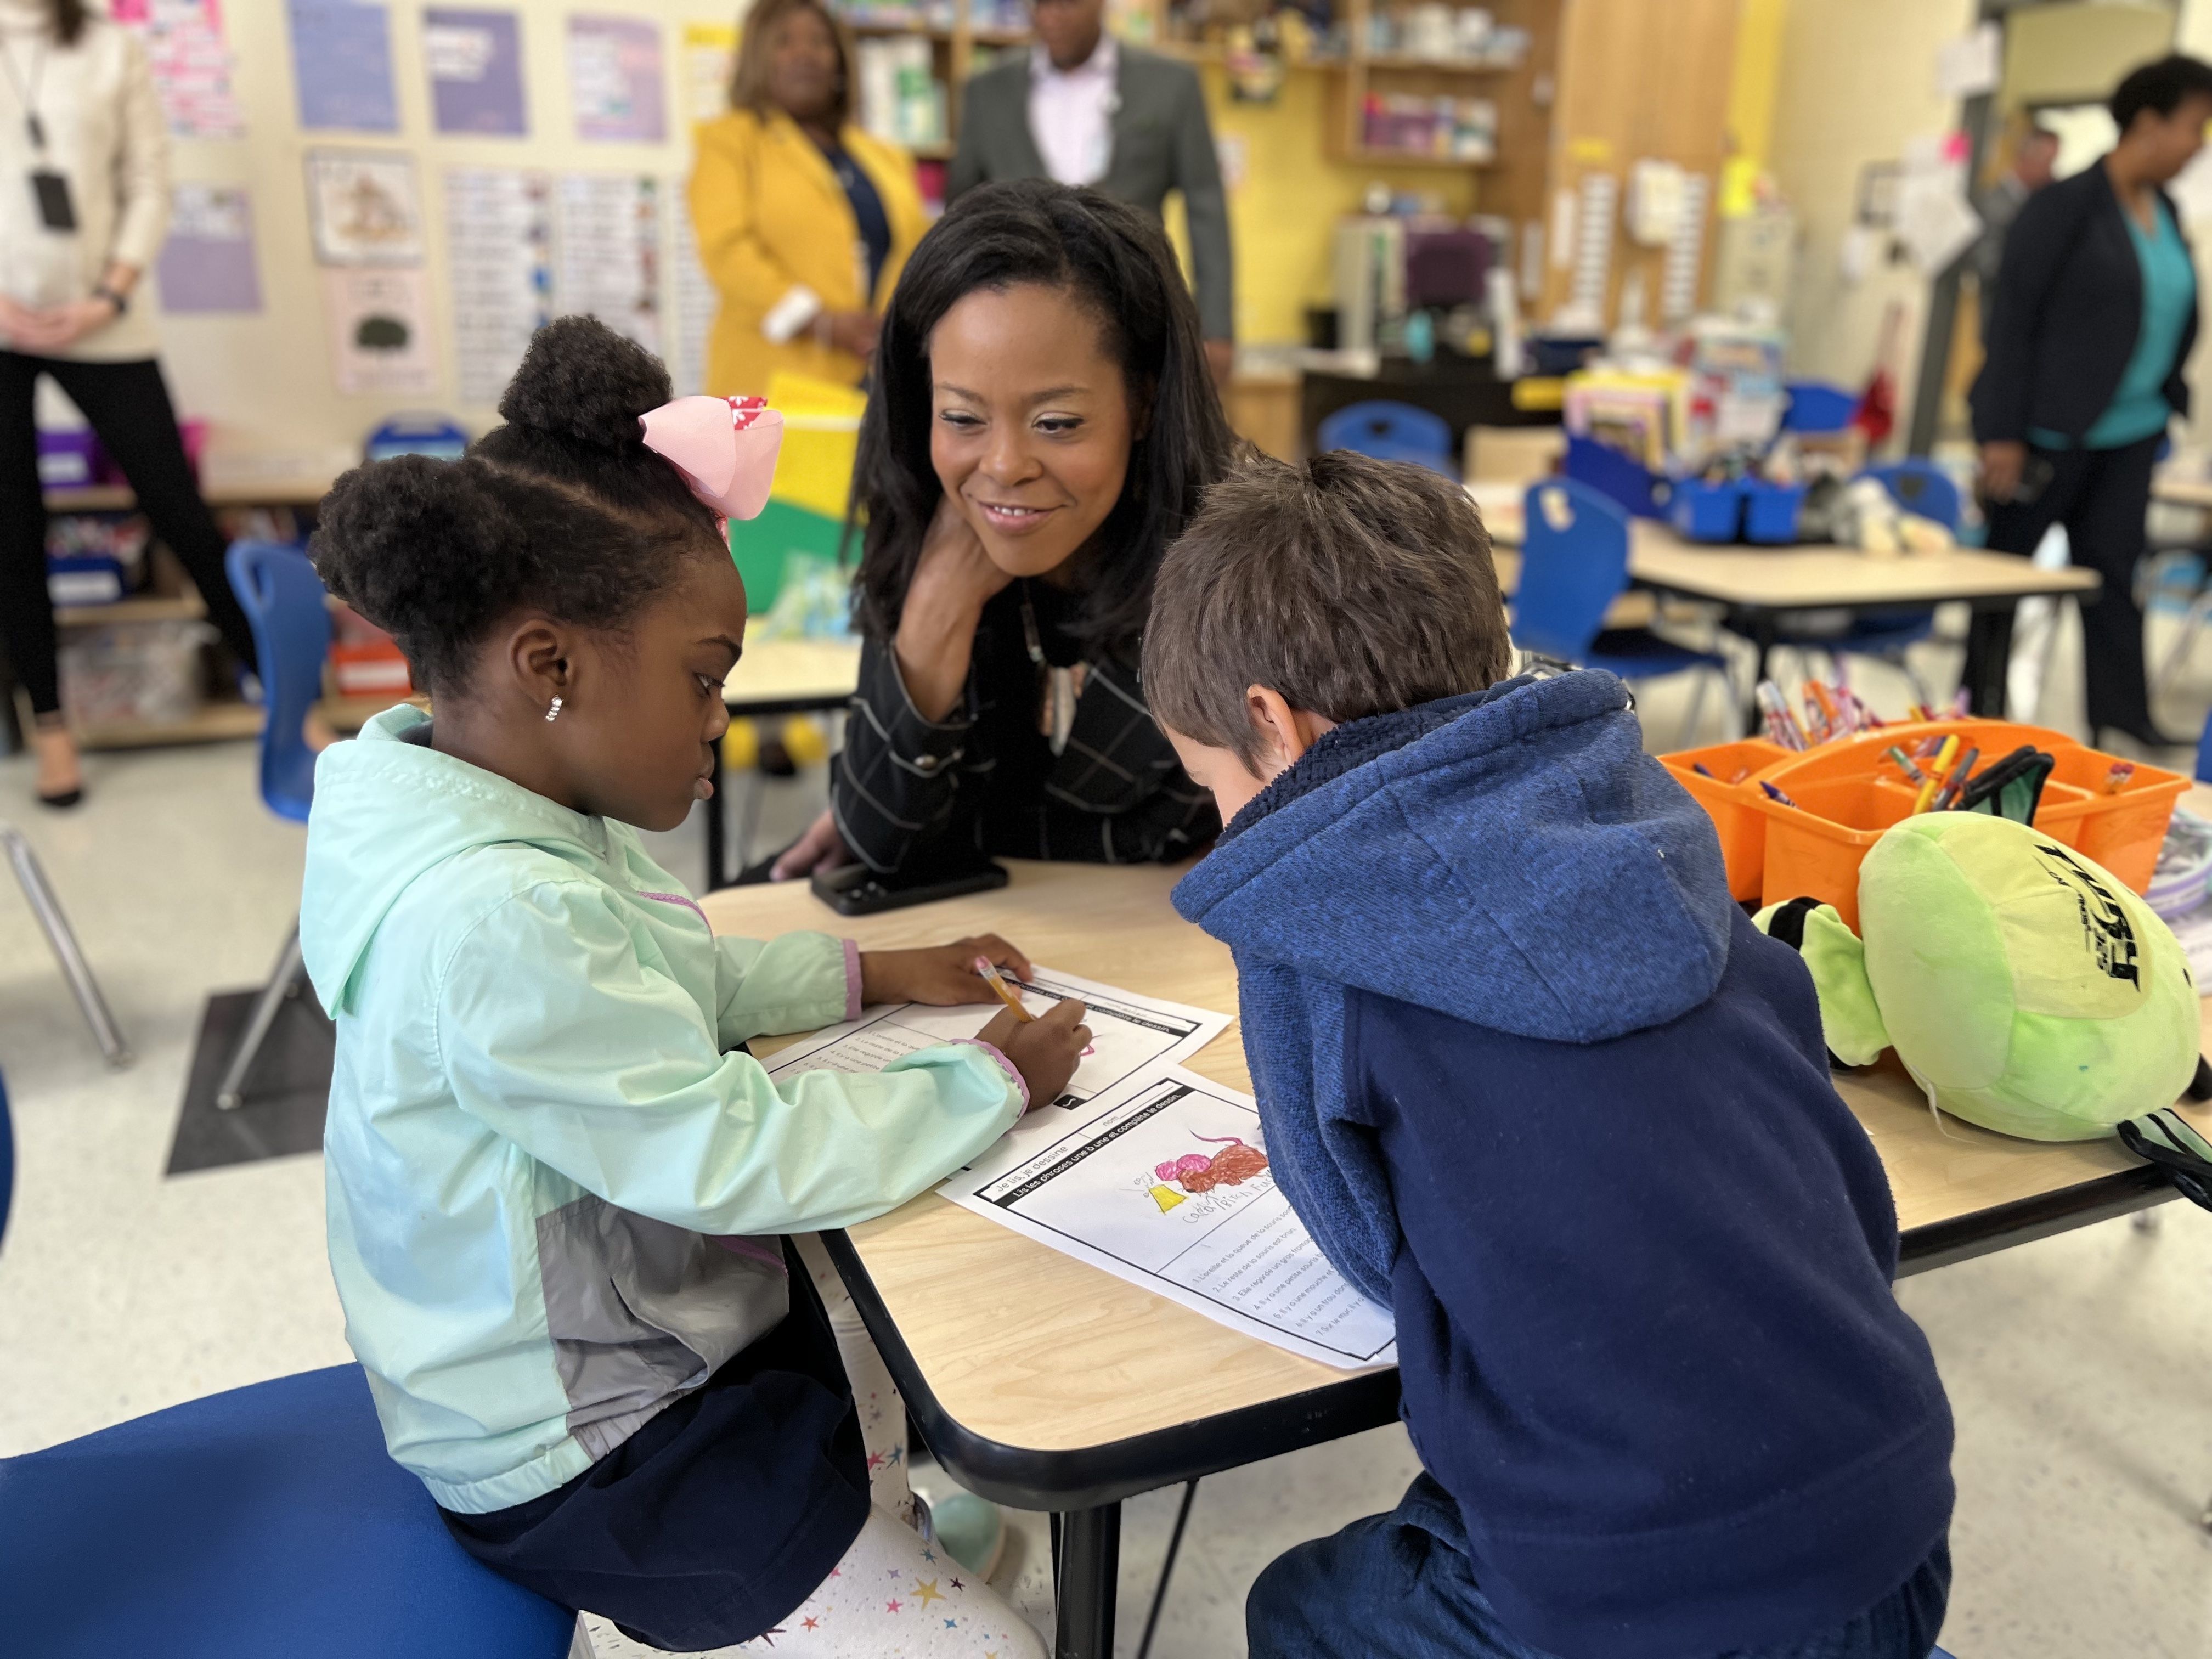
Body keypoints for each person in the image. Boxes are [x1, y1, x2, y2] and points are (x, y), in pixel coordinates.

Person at [300, 316, 1083, 1657]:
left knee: (855, 1326)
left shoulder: (487, 804)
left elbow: (660, 972)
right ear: (550, 667)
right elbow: (728, 1156)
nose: (722, 718)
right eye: (706, 679)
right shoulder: (495, 912)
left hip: (632, 1345)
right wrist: (987, 1079)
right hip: (582, 1450)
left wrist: (870, 968)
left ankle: (870, 1537)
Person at [1146, 452, 1957, 1659]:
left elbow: (1364, 1250)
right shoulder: (1645, 812)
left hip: (1650, 1596)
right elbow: (1831, 1150)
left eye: (1208, 781)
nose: (1224, 821)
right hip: (1897, 1506)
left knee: (1300, 1608)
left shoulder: (1308, 911)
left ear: (1271, 723)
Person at [765, 180, 1234, 884]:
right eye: (961, 418)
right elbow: (879, 843)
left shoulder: (1239, 576)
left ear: (1145, 403)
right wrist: (936, 607)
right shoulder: (926, 521)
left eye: (1057, 423)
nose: (1005, 466)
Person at [0, 0, 258, 806]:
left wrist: (108, 296)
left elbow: (148, 183)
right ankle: (51, 728)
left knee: (178, 507)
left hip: (102, 315)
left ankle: (276, 690)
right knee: (10, 528)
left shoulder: (113, 49)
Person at [1968, 54, 2212, 751]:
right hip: (2047, 434)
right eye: (2194, 127)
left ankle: (2123, 721)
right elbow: (2012, 322)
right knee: (2001, 583)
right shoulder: (2064, 206)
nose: (2199, 145)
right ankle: (1977, 715)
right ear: (2149, 122)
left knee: (2112, 581)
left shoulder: (2164, 211)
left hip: (2131, 431)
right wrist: (2001, 432)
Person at [949, 0, 1235, 385]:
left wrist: (1216, 328)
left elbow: (1206, 207)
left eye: (1067, 5)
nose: (1051, 17)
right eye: (1040, 6)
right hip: (1017, 328)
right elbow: (961, 216)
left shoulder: (1171, 85)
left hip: (1137, 322)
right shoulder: (987, 92)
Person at [690, 0, 932, 396]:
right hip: (773, 379)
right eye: (784, 41)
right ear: (757, 57)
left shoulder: (886, 156)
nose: (805, 53)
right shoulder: (729, 141)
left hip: (879, 376)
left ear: (840, 60)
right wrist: (820, 322)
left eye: (820, 42)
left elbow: (916, 250)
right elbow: (727, 250)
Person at [1970, 121, 2058, 324]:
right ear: (2027, 158)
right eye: (2049, 162)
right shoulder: (1993, 204)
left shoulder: (2040, 203)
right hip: (2003, 320)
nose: (2052, 172)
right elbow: (1986, 263)